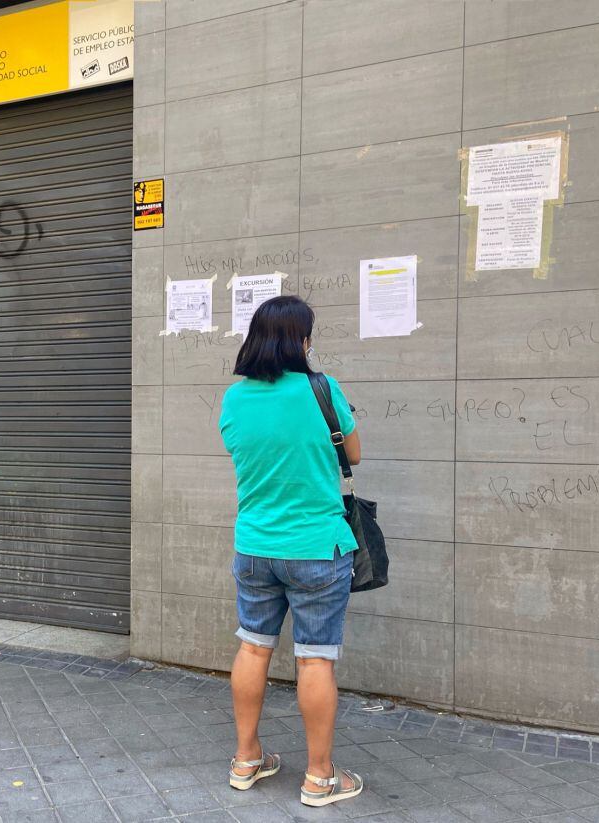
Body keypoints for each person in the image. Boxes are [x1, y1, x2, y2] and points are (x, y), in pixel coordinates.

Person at [218, 295, 363, 809]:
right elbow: (354, 454)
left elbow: (245, 453)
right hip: (317, 547)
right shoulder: (322, 389)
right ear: (300, 340)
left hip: (254, 544)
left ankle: (245, 759)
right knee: (315, 660)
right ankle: (320, 777)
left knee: (253, 646)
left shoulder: (234, 400)